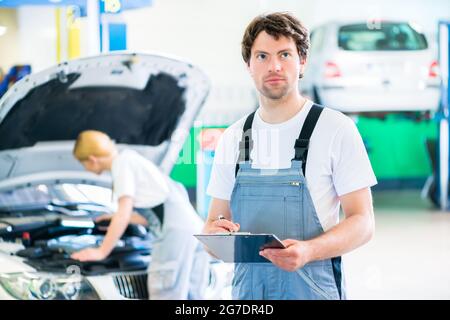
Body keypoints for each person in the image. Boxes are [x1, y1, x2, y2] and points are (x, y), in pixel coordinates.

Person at [202, 12, 377, 300]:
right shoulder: (233, 138)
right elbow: (213, 226)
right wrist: (214, 235)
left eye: (284, 54)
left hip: (314, 290)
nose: (274, 66)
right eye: (262, 56)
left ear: (302, 61)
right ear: (249, 65)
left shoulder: (335, 129)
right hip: (249, 295)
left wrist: (309, 250)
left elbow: (363, 222)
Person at [71, 130, 209, 300]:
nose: (85, 168)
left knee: (164, 293)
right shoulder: (132, 158)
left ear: (92, 159)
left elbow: (124, 209)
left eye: (83, 164)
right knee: (193, 296)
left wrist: (101, 251)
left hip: (175, 235)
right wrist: (116, 218)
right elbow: (154, 214)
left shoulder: (121, 164)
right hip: (194, 230)